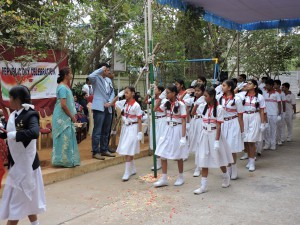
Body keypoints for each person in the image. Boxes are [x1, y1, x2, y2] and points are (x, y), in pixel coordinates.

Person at [0, 85, 46, 225]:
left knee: (17, 203)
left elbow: (34, 133)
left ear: (17, 99)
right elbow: (7, 135)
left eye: (11, 98)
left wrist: (15, 135)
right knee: (27, 197)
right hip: (16, 164)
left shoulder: (30, 114)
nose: (9, 101)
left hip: (27, 165)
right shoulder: (14, 115)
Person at [193, 87, 233, 194]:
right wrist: (197, 103)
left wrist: (216, 141)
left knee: (219, 158)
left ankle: (226, 176)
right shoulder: (203, 107)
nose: (204, 98)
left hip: (214, 134)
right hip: (204, 134)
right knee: (203, 158)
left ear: (212, 96)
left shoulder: (219, 108)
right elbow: (192, 113)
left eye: (206, 96)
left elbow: (219, 126)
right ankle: (203, 186)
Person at [153, 84, 188, 187]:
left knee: (178, 154)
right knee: (162, 152)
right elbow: (155, 109)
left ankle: (181, 176)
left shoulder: (181, 104)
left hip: (177, 129)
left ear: (174, 93)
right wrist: (160, 98)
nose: (166, 94)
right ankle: (164, 178)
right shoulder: (166, 103)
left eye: (168, 92)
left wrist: (183, 137)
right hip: (167, 129)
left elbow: (184, 121)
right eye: (166, 92)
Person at [110, 87, 143, 181]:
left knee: (128, 149)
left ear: (132, 93)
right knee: (128, 149)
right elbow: (112, 104)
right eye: (124, 93)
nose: (125, 94)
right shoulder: (123, 102)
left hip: (133, 128)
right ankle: (132, 169)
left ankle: (127, 172)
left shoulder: (136, 105)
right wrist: (118, 96)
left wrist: (140, 132)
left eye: (127, 93)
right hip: (125, 128)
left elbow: (139, 119)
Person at [52, 67, 80, 167]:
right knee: (63, 138)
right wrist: (72, 116)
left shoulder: (65, 86)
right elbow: (63, 105)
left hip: (65, 116)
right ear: (66, 75)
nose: (71, 75)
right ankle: (62, 161)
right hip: (61, 117)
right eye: (70, 73)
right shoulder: (62, 87)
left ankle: (69, 160)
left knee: (68, 137)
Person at [217, 80, 244, 180]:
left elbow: (240, 116)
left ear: (229, 88)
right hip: (223, 124)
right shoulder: (219, 97)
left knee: (232, 148)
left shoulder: (237, 99)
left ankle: (234, 168)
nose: (221, 87)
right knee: (224, 148)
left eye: (224, 85)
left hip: (233, 123)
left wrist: (242, 131)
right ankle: (228, 169)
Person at [89, 63, 115, 160]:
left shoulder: (108, 80)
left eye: (108, 70)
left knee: (106, 130)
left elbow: (112, 92)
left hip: (108, 107)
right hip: (99, 106)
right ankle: (95, 151)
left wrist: (110, 102)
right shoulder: (96, 78)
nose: (108, 72)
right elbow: (90, 76)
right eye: (107, 70)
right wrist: (100, 69)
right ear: (102, 69)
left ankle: (104, 149)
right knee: (97, 130)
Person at [240, 79, 266, 171]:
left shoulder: (259, 97)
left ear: (255, 86)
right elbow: (231, 94)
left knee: (251, 141)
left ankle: (252, 162)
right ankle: (249, 157)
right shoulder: (242, 95)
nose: (247, 85)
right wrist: (239, 87)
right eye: (247, 83)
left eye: (250, 83)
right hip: (244, 116)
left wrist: (263, 123)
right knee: (245, 140)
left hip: (254, 116)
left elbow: (262, 110)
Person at [145, 85, 167, 171]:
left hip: (161, 121)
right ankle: (158, 162)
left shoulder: (165, 101)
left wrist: (157, 99)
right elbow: (145, 101)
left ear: (160, 91)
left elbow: (156, 109)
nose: (153, 90)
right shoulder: (153, 99)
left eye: (155, 89)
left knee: (159, 141)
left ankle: (160, 162)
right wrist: (148, 94)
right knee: (154, 140)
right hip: (154, 121)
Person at [188, 84, 206, 177]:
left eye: (198, 91)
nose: (196, 92)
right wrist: (196, 103)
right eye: (195, 91)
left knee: (200, 144)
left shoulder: (205, 100)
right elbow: (192, 112)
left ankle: (199, 166)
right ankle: (198, 166)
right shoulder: (195, 100)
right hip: (195, 121)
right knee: (196, 143)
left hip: (202, 121)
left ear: (203, 92)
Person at [262, 79, 281, 151]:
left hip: (274, 114)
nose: (266, 86)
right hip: (266, 114)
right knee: (266, 129)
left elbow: (279, 104)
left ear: (271, 85)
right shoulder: (264, 93)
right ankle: (267, 144)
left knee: (273, 129)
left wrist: (279, 113)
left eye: (267, 85)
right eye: (265, 85)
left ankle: (273, 144)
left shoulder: (276, 94)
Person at [274, 79, 286, 145]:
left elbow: (283, 103)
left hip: (280, 112)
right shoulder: (274, 93)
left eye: (275, 84)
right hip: (274, 111)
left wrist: (284, 112)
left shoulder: (282, 93)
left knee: (279, 127)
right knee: (274, 126)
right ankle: (275, 139)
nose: (274, 85)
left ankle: (280, 139)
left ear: (278, 85)